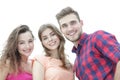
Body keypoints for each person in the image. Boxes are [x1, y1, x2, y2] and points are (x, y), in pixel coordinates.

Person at [55, 6, 120, 80]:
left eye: (73, 23)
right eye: (64, 26)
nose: (70, 28)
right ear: (61, 30)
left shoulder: (97, 37)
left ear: (81, 23)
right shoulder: (77, 64)